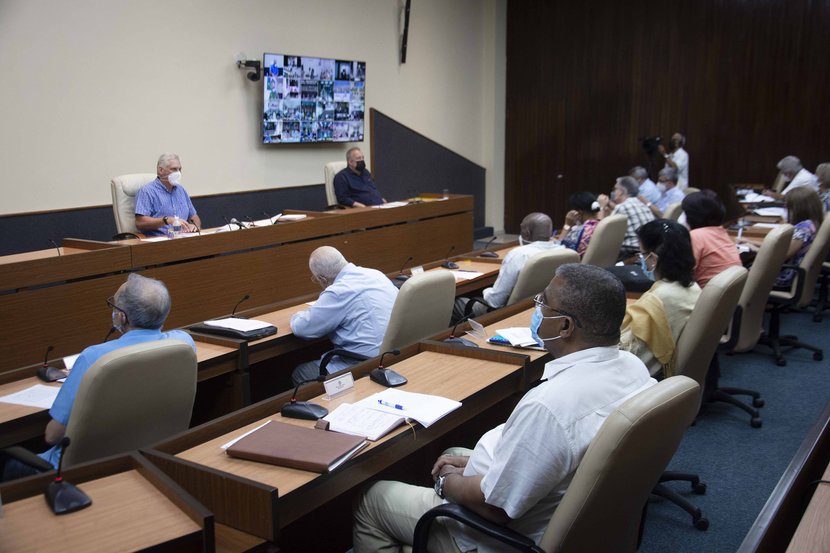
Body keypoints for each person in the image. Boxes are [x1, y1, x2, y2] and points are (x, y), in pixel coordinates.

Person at [353, 264, 654, 552]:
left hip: (501, 536)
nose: (537, 309)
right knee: (454, 454)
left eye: (543, 303)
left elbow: (495, 509)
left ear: (565, 326)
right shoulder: (633, 367)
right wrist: (475, 469)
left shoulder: (549, 406)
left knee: (371, 498)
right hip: (573, 514)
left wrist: (447, 484)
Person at [2, 274, 195, 481]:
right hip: (142, 459)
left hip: (74, 473)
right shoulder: (183, 343)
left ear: (121, 317)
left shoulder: (92, 358)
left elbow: (52, 435)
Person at [290, 246, 398, 385]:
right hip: (393, 353)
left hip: (365, 363)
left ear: (322, 279)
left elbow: (303, 329)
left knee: (302, 372)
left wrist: (296, 315)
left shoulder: (338, 291)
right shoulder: (376, 274)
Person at [620, 220, 701, 378]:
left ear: (653, 259)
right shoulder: (692, 286)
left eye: (642, 254)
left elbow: (627, 353)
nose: (641, 260)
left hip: (642, 377)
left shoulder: (659, 298)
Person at [453, 213, 558, 321]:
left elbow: (494, 301)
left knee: (455, 302)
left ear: (527, 233)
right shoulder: (562, 251)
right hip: (536, 308)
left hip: (506, 313)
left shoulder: (519, 254)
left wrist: (485, 291)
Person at [740, 187, 824, 288]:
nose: (785, 209)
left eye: (786, 206)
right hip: (790, 271)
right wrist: (751, 241)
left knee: (736, 274)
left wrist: (754, 249)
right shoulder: (811, 224)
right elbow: (782, 247)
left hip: (783, 276)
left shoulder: (803, 230)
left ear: (797, 208)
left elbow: (780, 257)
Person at [681, 191, 741, 287]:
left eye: (684, 213)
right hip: (728, 298)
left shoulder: (695, 236)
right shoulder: (721, 232)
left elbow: (681, 275)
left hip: (703, 298)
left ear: (692, 215)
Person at [135, 153, 201, 236]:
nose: (178, 173)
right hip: (160, 241)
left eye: (179, 169)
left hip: (184, 238)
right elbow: (140, 223)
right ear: (161, 170)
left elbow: (194, 217)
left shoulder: (181, 190)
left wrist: (194, 226)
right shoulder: (147, 191)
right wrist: (166, 220)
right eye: (174, 169)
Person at [598, 176, 656, 259]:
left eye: (615, 189)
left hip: (630, 255)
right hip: (647, 253)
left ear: (620, 192)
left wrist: (601, 207)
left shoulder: (622, 207)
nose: (613, 192)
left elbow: (603, 235)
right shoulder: (642, 205)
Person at [560, 192, 601, 257]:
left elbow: (559, 249)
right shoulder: (603, 226)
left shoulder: (578, 232)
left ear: (579, 212)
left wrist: (567, 225)